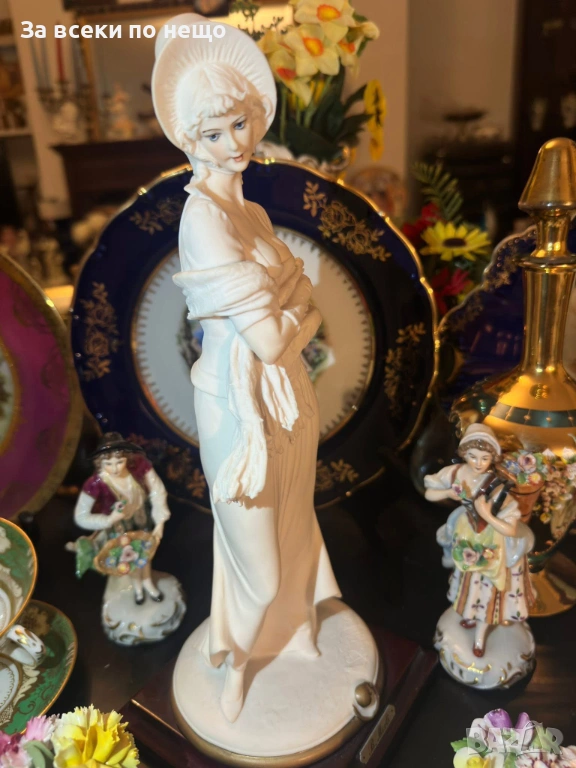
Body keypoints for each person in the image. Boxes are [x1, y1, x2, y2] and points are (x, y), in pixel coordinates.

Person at [152, 14, 341, 722]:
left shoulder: (254, 215)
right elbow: (268, 338)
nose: (234, 144)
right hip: (238, 407)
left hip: (287, 395)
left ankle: (294, 630)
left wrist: (290, 312)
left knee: (294, 519)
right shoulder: (202, 220)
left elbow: (303, 317)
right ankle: (233, 665)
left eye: (239, 124)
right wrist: (292, 306)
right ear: (188, 140)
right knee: (254, 556)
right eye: (213, 133)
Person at [424, 424, 535, 658]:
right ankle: (470, 614)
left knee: (487, 589)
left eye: (485, 458)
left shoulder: (496, 485)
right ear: (464, 453)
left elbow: (510, 528)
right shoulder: (454, 473)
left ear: (492, 459)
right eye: (473, 456)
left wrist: (487, 515)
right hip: (466, 535)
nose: (478, 463)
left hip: (491, 542)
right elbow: (429, 492)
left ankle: (480, 636)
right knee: (468, 581)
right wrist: (447, 493)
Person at [70, 433, 170, 605]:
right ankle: (137, 587)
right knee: (128, 557)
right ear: (100, 463)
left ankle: (147, 581)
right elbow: (81, 516)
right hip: (119, 527)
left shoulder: (139, 466)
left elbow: (157, 491)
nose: (115, 468)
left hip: (141, 516)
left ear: (127, 458)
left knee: (145, 551)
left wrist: (160, 521)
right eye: (108, 464)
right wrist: (108, 520)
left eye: (119, 462)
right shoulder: (95, 483)